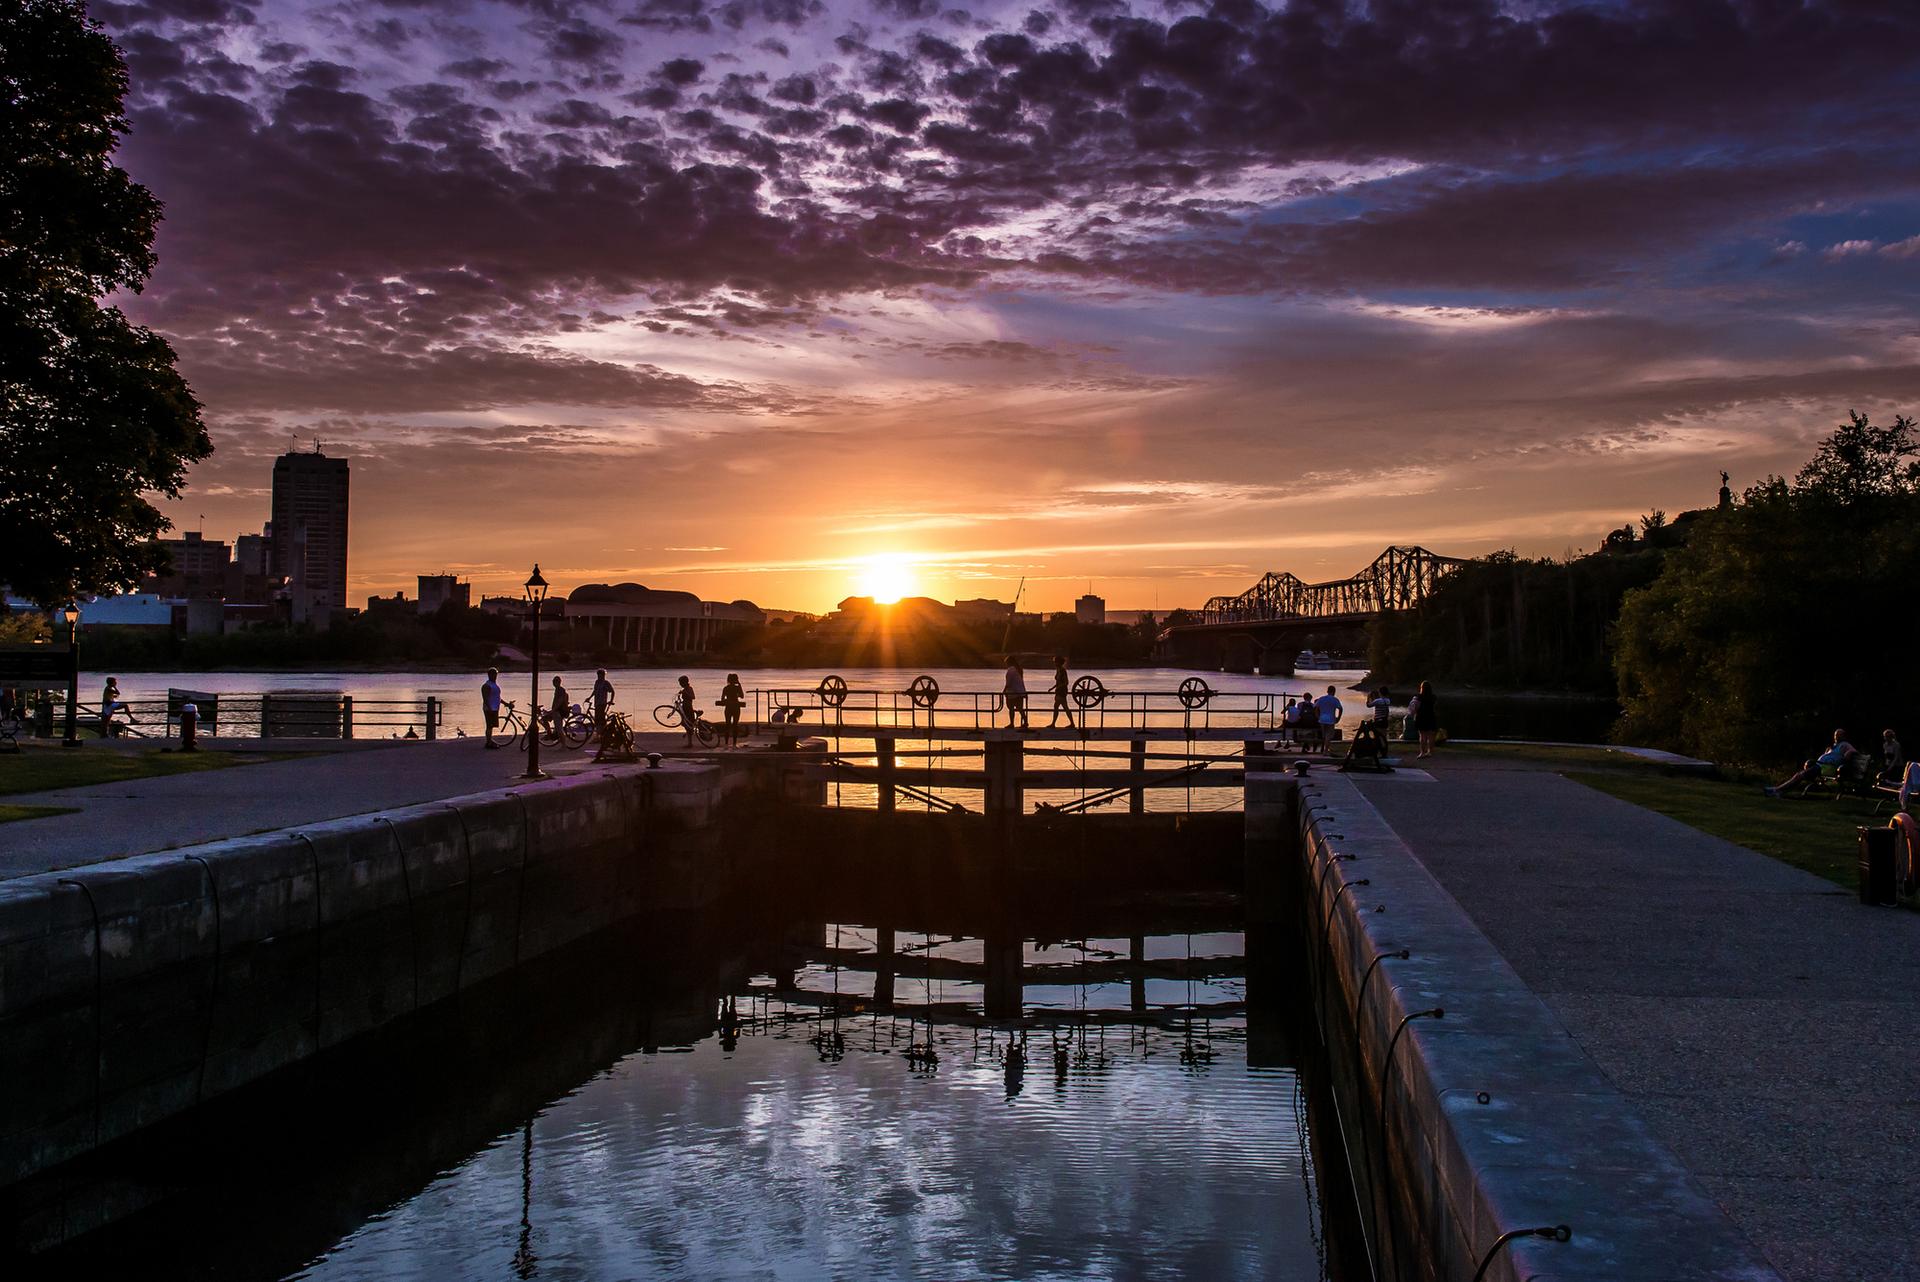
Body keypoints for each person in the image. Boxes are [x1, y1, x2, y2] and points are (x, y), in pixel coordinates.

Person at [1767, 729, 1858, 796]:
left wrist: (1850, 752)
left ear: (1844, 736)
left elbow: (1855, 752)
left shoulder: (1845, 744)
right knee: (1799, 775)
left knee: (1799, 775)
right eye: (1835, 735)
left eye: (1838, 735)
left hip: (1825, 768)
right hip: (1821, 766)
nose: (1836, 737)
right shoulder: (1835, 746)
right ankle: (1779, 791)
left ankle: (1777, 790)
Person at [1413, 680, 1439, 758]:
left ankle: (1422, 753)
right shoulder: (1433, 697)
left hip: (1421, 717)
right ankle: (1430, 752)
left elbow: (1416, 707)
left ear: (1422, 688)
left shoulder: (1418, 697)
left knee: (1422, 736)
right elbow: (1435, 707)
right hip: (1431, 716)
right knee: (1431, 736)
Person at [1047, 656, 1074, 729]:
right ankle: (1054, 723)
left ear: (1059, 662)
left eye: (1056, 662)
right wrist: (1052, 688)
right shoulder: (1058, 670)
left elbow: (1066, 682)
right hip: (1059, 691)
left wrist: (1058, 687)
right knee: (1061, 707)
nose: (1055, 663)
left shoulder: (1062, 670)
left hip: (1062, 691)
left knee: (1061, 707)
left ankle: (1054, 724)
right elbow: (1058, 682)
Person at [719, 673, 745, 746]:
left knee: (727, 724)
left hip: (728, 708)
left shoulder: (726, 688)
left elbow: (722, 699)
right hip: (736, 707)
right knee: (735, 725)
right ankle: (734, 743)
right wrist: (739, 685)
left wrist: (728, 699)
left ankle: (726, 743)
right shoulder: (737, 688)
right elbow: (742, 696)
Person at [481, 667, 504, 749]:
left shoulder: (495, 685)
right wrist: (489, 708)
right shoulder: (486, 686)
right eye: (494, 674)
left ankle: (490, 740)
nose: (495, 676)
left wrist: (505, 703)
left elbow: (498, 697)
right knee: (489, 725)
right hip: (489, 709)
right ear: (489, 675)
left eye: (496, 674)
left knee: (491, 726)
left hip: (495, 708)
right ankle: (488, 742)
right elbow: (485, 698)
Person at [1003, 659, 1029, 730]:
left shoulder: (1010, 671)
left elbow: (1008, 683)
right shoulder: (1018, 669)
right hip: (1020, 691)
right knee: (1020, 708)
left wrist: (1004, 691)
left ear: (1008, 663)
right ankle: (1025, 722)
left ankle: (1012, 723)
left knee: (1011, 708)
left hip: (1012, 692)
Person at [675, 675, 700, 747]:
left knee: (688, 724)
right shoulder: (684, 689)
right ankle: (689, 740)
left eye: (680, 682)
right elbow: (685, 700)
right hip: (685, 707)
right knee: (686, 724)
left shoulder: (689, 688)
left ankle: (690, 743)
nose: (680, 684)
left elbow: (692, 697)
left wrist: (685, 693)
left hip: (688, 708)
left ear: (684, 682)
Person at [590, 669, 615, 738]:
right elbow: (595, 691)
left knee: (600, 719)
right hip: (597, 703)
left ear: (604, 675)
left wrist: (611, 700)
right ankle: (599, 734)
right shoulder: (597, 682)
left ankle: (601, 735)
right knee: (597, 719)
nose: (599, 676)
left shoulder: (606, 683)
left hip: (602, 703)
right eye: (598, 675)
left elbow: (612, 691)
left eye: (601, 675)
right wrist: (589, 698)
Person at [547, 674, 569, 742]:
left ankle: (563, 745)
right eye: (553, 682)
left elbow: (560, 701)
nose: (553, 683)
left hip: (559, 712)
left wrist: (553, 710)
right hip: (555, 711)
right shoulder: (557, 690)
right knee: (545, 718)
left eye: (555, 682)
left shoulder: (561, 690)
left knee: (559, 729)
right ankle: (551, 734)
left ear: (559, 682)